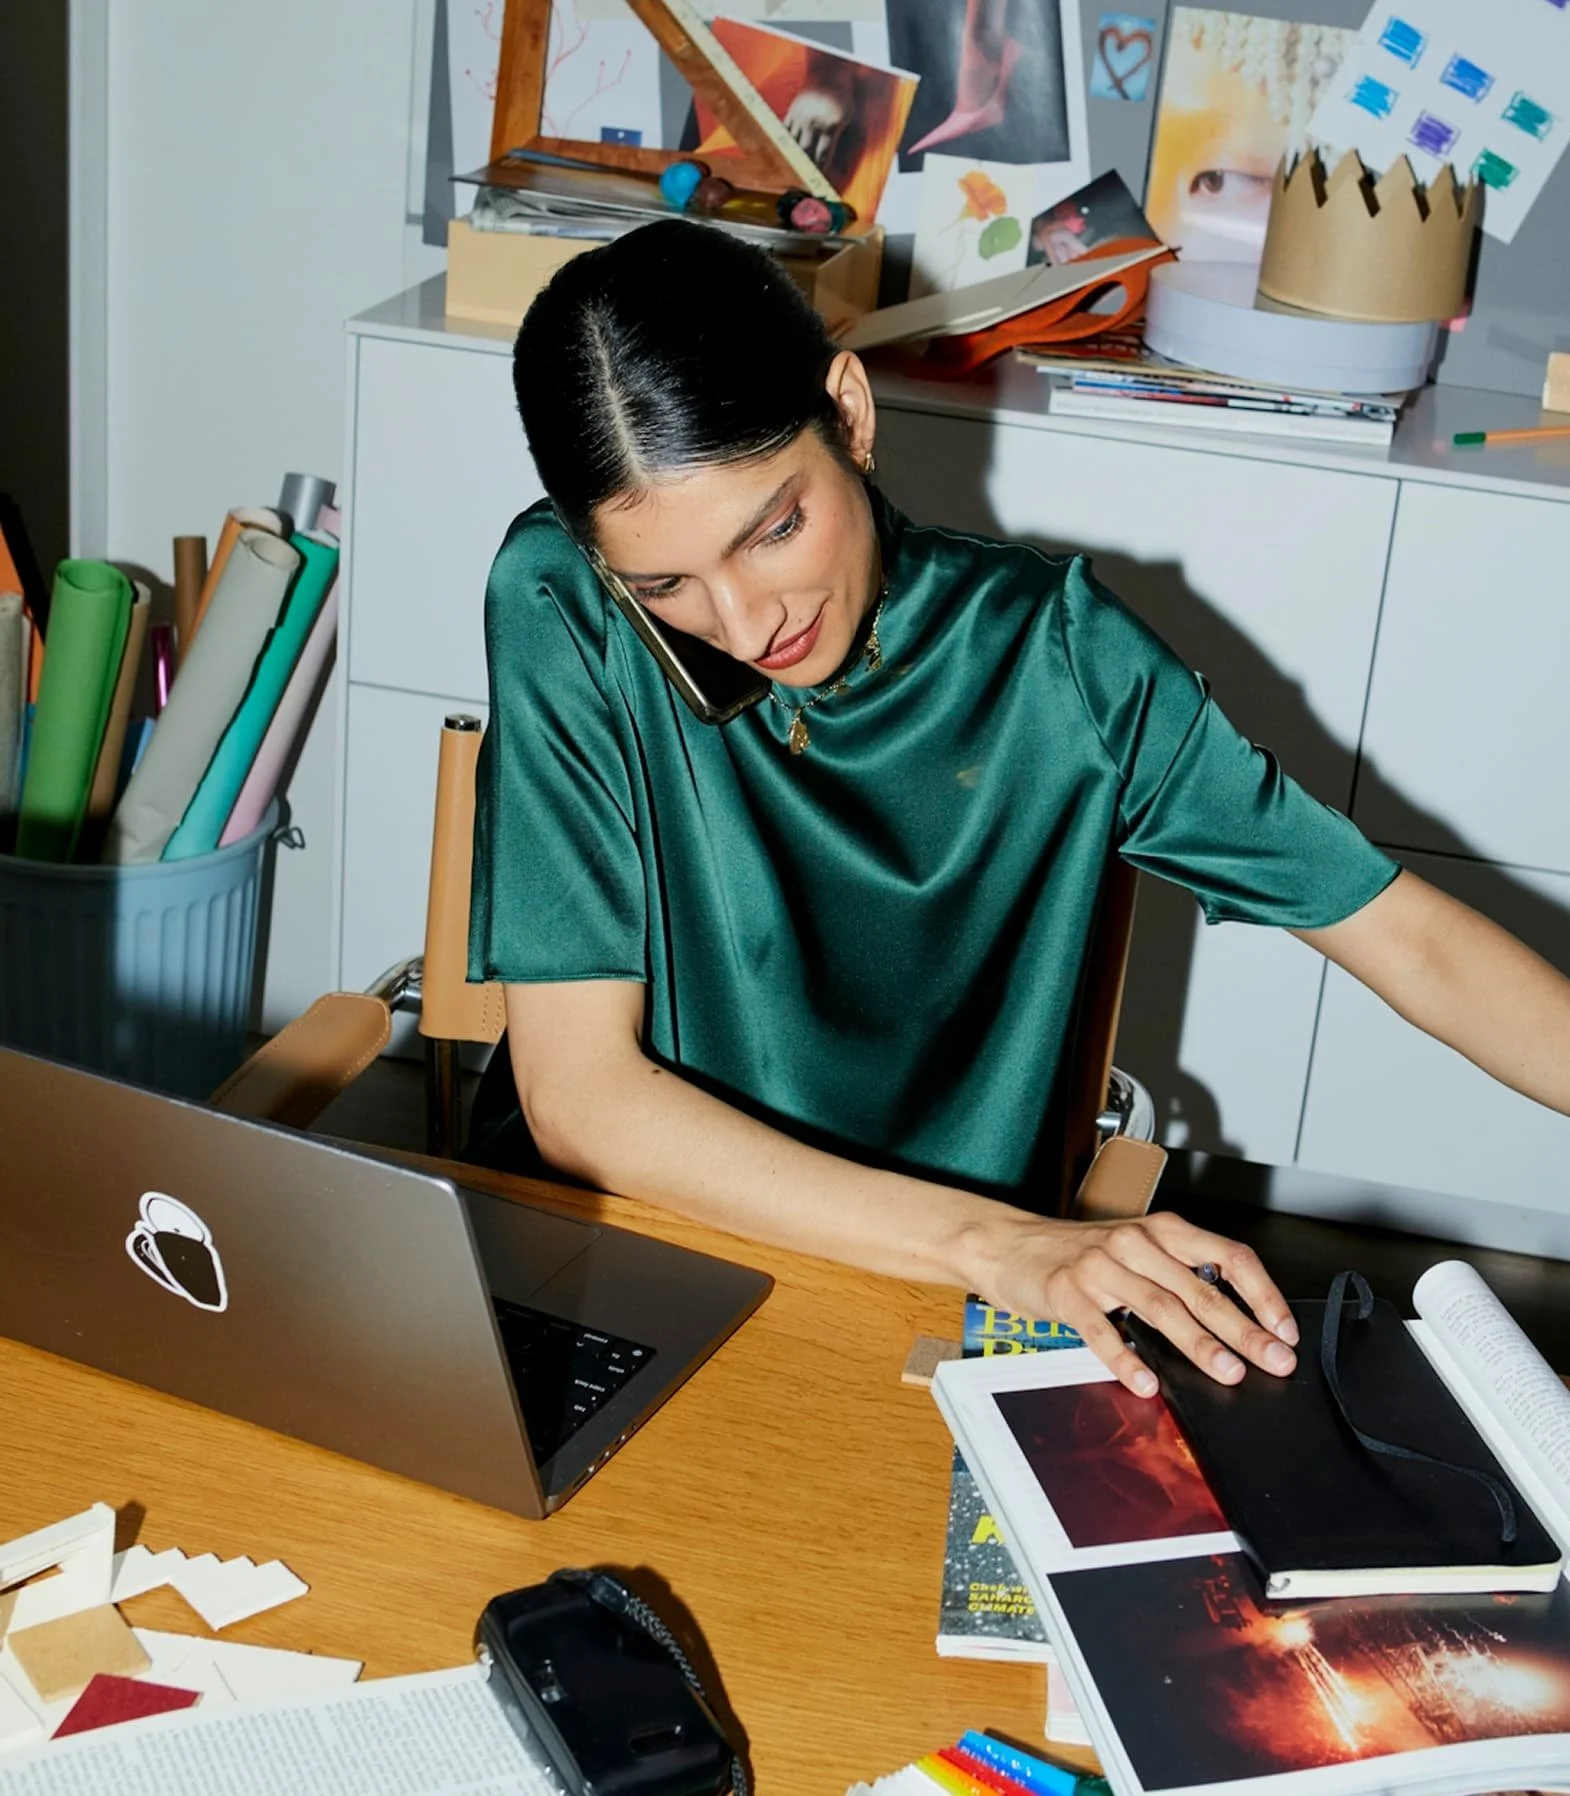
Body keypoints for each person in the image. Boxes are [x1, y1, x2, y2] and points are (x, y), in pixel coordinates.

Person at [468, 218, 1570, 1397]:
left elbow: (1404, 936)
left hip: (920, 1306)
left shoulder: (1061, 663)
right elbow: (578, 1098)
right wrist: (1004, 1244)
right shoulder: (561, 595)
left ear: (848, 410)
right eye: (664, 583)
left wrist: (995, 1252)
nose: (745, 626)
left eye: (774, 529)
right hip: (629, 1263)